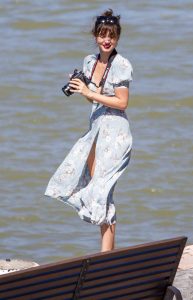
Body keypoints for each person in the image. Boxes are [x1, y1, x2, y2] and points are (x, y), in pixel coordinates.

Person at [45, 9, 133, 252]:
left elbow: (122, 102)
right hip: (95, 130)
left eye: (112, 36)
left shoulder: (122, 65)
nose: (107, 40)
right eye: (103, 35)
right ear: (95, 36)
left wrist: (89, 92)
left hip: (116, 134)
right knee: (95, 190)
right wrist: (82, 87)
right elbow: (93, 101)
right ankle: (106, 257)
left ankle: (106, 259)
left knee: (103, 192)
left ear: (117, 38)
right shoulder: (89, 61)